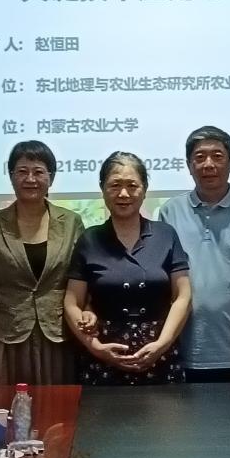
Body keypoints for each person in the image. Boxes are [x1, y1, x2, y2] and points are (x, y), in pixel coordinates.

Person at [157, 126, 230, 383]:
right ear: (189, 165)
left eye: (217, 156)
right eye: (200, 157)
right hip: (183, 349)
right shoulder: (170, 211)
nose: (208, 164)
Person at [65, 153, 192, 385]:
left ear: (144, 189)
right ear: (103, 189)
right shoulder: (89, 239)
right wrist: (95, 347)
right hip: (102, 360)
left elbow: (182, 296)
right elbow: (72, 302)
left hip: (160, 356)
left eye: (132, 186)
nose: (123, 194)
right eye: (115, 185)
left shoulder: (165, 234)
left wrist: (162, 344)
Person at [0, 141, 85, 386]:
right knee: (11, 405)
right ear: (11, 176)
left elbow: (83, 283)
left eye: (38, 172)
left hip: (60, 337)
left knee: (60, 407)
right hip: (8, 338)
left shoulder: (71, 222)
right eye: (22, 171)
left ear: (51, 178)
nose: (30, 179)